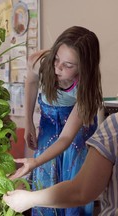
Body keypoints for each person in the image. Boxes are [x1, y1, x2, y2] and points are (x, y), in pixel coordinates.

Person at [10, 26, 103, 216]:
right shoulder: (42, 61)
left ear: (83, 68)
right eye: (57, 59)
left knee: (74, 183)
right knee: (44, 178)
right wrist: (28, 121)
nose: (58, 68)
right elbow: (32, 81)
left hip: (76, 134)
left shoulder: (87, 91)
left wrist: (34, 162)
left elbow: (66, 137)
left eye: (68, 65)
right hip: (49, 125)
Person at [3, 112, 117, 216]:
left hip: (73, 154)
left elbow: (81, 191)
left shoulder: (114, 126)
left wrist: (29, 199)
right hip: (48, 146)